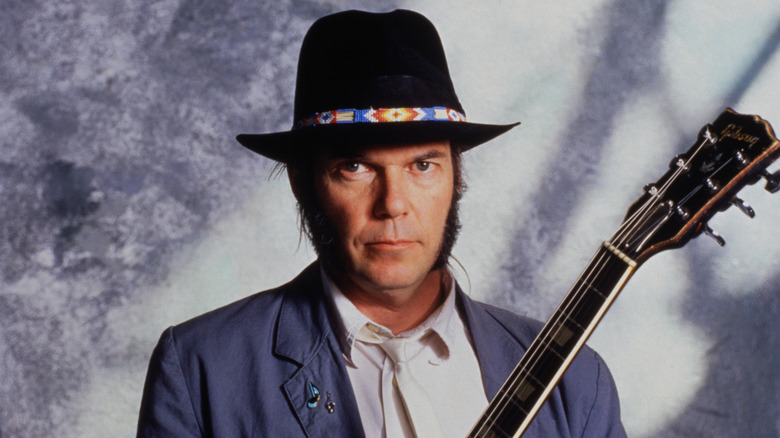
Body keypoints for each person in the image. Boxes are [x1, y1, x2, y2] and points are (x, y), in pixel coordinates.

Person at [137, 9, 626, 438]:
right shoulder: (202, 368)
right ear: (302, 184)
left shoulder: (574, 380)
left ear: (456, 178)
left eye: (422, 165)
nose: (393, 204)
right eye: (356, 167)